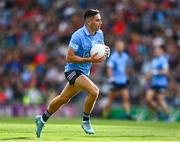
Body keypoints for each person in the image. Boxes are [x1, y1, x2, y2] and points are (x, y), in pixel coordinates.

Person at [35, 9, 110, 138]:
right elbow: (69, 57)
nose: (100, 22)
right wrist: (89, 59)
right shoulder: (78, 36)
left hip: (84, 72)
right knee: (94, 91)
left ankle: (41, 119)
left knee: (63, 98)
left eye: (100, 20)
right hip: (72, 71)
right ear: (89, 21)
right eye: (98, 20)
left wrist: (105, 52)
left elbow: (99, 52)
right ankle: (86, 121)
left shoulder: (100, 34)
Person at [103, 40, 132, 120]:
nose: (120, 47)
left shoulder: (125, 56)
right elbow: (109, 68)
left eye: (122, 46)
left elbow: (126, 68)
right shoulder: (113, 57)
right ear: (116, 47)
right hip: (115, 81)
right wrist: (111, 78)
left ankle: (128, 114)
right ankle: (105, 113)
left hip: (123, 81)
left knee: (126, 97)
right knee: (111, 99)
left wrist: (127, 76)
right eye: (119, 46)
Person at [145, 46, 172, 121]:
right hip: (154, 83)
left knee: (160, 101)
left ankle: (168, 116)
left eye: (158, 51)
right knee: (148, 100)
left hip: (161, 84)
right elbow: (152, 71)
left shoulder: (163, 60)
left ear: (161, 51)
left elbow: (166, 71)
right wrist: (149, 75)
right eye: (155, 51)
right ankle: (159, 112)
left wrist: (155, 72)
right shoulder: (154, 60)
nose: (156, 52)